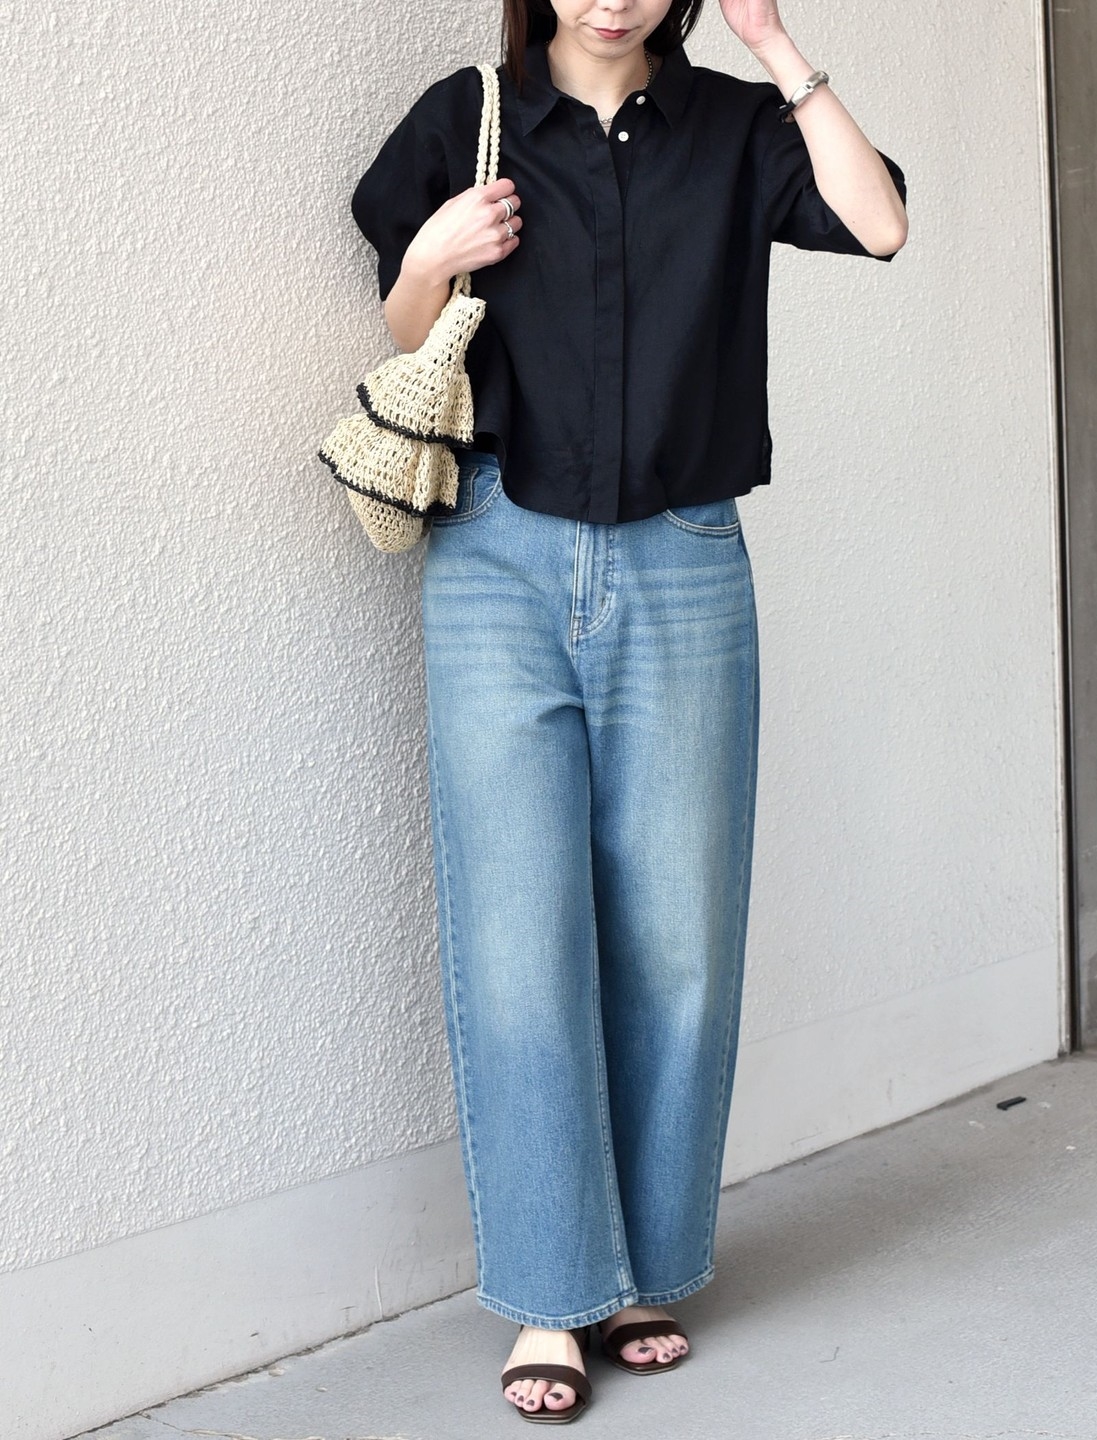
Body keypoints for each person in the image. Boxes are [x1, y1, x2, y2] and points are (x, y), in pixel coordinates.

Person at [347, 0, 906, 1423]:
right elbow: (408, 329)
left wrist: (777, 46)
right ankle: (551, 1292)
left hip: (684, 555)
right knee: (517, 935)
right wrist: (434, 254)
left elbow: (883, 222)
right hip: (494, 559)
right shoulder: (468, 116)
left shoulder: (734, 127)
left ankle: (645, 1270)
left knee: (678, 934)